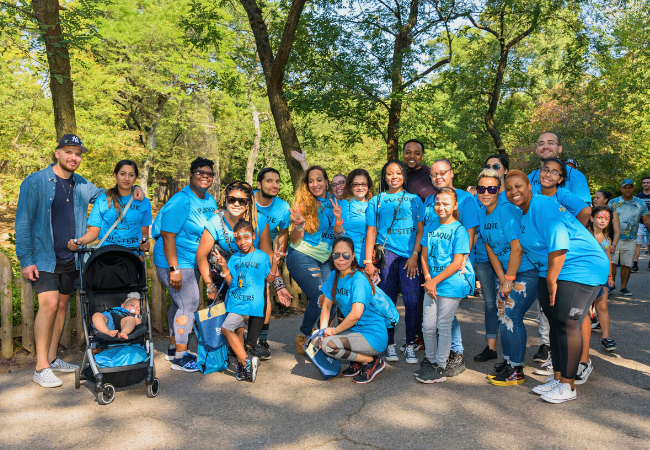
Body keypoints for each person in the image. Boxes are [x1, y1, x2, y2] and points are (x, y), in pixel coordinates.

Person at [15, 134, 144, 388]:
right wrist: (26, 259)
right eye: (69, 152)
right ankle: (41, 367)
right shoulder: (36, 182)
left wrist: (137, 189)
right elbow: (22, 223)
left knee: (62, 307)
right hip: (44, 256)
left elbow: (115, 192)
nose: (74, 158)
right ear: (57, 153)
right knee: (50, 305)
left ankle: (52, 358)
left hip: (72, 258)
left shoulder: (83, 185)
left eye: (78, 154)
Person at [505, 171, 609, 404]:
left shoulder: (543, 204)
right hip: (553, 269)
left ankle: (568, 385)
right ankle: (559, 376)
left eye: (518, 186)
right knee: (555, 322)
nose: (514, 192)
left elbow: (559, 242)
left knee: (567, 323)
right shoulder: (523, 213)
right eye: (509, 188)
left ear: (530, 187)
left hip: (582, 266)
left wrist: (551, 278)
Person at [153, 157, 218, 373]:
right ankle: (180, 358)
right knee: (189, 304)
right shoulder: (181, 201)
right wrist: (175, 269)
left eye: (209, 173)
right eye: (200, 172)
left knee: (178, 303)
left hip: (192, 260)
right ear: (191, 174)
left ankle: (174, 348)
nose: (205, 176)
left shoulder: (209, 201)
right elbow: (168, 236)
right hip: (173, 260)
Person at [476, 170, 538, 386]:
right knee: (503, 314)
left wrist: (509, 280)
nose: (486, 193)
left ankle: (517, 370)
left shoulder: (507, 211)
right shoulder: (482, 213)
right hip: (507, 274)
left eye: (491, 189)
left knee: (510, 314)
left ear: (498, 191)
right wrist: (502, 280)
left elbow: (517, 249)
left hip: (527, 271)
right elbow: (491, 251)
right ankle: (509, 361)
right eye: (482, 189)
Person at [363, 161, 424, 364]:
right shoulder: (376, 201)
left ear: (404, 176)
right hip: (385, 256)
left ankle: (409, 345)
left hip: (409, 258)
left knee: (412, 302)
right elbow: (371, 231)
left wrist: (415, 254)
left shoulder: (415, 200)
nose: (394, 176)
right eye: (390, 173)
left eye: (398, 173)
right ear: (384, 177)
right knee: (387, 302)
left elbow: (420, 230)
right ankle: (389, 345)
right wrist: (368, 262)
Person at [425, 158, 479, 376]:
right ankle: (441, 354)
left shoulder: (466, 199)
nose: (439, 177)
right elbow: (428, 232)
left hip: (455, 265)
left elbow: (471, 233)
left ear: (451, 172)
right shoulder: (430, 199)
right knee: (439, 316)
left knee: (447, 314)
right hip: (434, 267)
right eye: (434, 174)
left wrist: (462, 260)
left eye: (443, 172)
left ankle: (455, 353)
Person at [212, 220, 282, 382]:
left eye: (246, 237)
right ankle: (245, 363)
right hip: (236, 303)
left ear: (253, 237)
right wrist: (223, 267)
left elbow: (270, 279)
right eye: (238, 239)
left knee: (235, 334)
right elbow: (231, 282)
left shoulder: (262, 256)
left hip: (254, 303)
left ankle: (245, 363)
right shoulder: (234, 258)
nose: (242, 242)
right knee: (232, 330)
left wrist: (275, 263)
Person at [415, 188, 473, 383]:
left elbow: (457, 262)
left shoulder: (460, 230)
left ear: (455, 206)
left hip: (450, 285)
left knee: (443, 325)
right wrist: (428, 276)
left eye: (446, 203)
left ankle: (440, 366)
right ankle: (431, 361)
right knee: (428, 326)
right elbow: (424, 254)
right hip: (432, 283)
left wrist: (434, 281)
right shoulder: (431, 226)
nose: (441, 207)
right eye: (438, 203)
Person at [286, 166, 344, 354]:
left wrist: (338, 219)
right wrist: (299, 225)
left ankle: (321, 337)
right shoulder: (303, 204)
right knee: (320, 298)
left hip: (325, 258)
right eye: (311, 181)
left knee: (332, 300)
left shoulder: (333, 201)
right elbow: (294, 240)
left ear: (327, 182)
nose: (315, 184)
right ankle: (303, 335)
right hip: (302, 255)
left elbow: (337, 235)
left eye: (319, 180)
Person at [318, 238, 388, 384]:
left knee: (327, 344)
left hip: (373, 336)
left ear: (353, 256)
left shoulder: (358, 280)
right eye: (336, 255)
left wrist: (334, 332)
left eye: (346, 255)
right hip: (356, 333)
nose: (341, 259)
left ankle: (371, 361)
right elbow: (326, 306)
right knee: (317, 338)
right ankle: (356, 361)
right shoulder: (335, 275)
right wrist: (322, 331)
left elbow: (356, 314)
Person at [68, 160, 152, 251]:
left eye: (131, 175)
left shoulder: (144, 202)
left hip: (133, 257)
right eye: (122, 174)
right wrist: (78, 242)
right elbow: (93, 233)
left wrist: (144, 244)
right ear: (115, 175)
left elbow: (144, 233)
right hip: (107, 256)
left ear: (135, 178)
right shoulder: (102, 200)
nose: (127, 178)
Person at [254, 168, 293, 356]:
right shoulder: (246, 200)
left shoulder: (283, 207)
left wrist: (281, 253)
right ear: (258, 184)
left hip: (266, 253)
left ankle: (262, 341)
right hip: (239, 254)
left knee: (264, 297)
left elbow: (284, 231)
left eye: (277, 181)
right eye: (269, 181)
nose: (274, 185)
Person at [473, 154, 509, 363]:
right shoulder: (480, 206)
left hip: (504, 260)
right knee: (489, 304)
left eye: (497, 166)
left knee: (505, 304)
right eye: (488, 166)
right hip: (483, 260)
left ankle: (510, 352)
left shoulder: (507, 202)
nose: (486, 192)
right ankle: (491, 347)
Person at [608, 179, 650, 296]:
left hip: (631, 238)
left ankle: (623, 287)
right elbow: (606, 219)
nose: (627, 189)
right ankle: (612, 286)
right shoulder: (613, 203)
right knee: (612, 262)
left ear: (634, 189)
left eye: (630, 187)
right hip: (614, 238)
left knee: (627, 264)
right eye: (625, 187)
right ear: (621, 189)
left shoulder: (641, 203)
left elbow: (647, 221)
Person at [529, 132, 591, 205]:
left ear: (560, 149)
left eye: (551, 143)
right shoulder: (529, 178)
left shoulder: (576, 176)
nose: (545, 146)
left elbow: (583, 210)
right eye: (541, 144)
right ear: (537, 150)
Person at [586, 207, 617, 352]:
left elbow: (608, 259)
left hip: (602, 278)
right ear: (591, 218)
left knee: (603, 307)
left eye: (607, 218)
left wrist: (610, 276)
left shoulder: (607, 239)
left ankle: (606, 337)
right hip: (585, 277)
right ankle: (580, 337)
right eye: (600, 217)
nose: (603, 220)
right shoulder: (585, 236)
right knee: (584, 309)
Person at [538, 158, 591, 226]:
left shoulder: (562, 194)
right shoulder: (536, 196)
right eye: (545, 169)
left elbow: (586, 211)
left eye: (554, 172)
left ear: (560, 179)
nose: (548, 174)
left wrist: (575, 231)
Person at [339, 169, 374, 267]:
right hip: (351, 259)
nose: (360, 187)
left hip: (371, 259)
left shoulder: (373, 204)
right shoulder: (346, 204)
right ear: (350, 186)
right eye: (356, 184)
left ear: (368, 185)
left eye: (363, 184)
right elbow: (340, 234)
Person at [593, 190, 621, 289]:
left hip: (606, 244)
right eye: (594, 197)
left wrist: (613, 244)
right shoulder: (589, 212)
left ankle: (609, 284)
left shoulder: (613, 214)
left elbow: (617, 231)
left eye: (598, 198)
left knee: (610, 262)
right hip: (594, 244)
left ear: (605, 200)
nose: (595, 199)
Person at [633, 177, 650, 272]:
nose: (646, 184)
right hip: (640, 223)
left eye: (648, 182)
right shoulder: (638, 196)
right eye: (644, 182)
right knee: (637, 244)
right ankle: (635, 265)